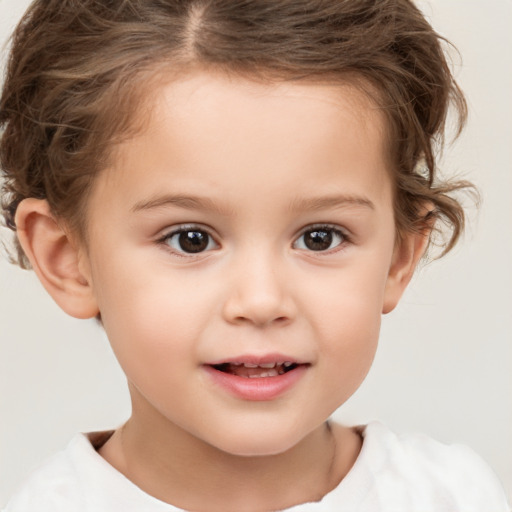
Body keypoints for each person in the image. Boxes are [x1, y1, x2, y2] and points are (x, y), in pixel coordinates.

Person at [0, 0, 509, 510]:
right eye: (190, 239)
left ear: (399, 256)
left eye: (320, 237)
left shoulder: (454, 497)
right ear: (67, 258)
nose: (262, 301)